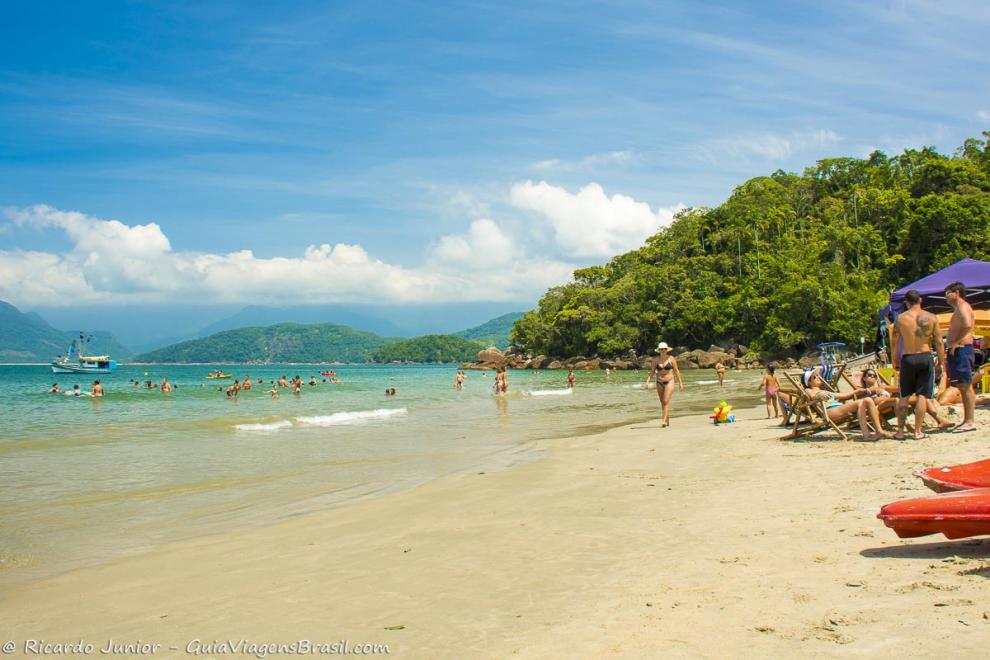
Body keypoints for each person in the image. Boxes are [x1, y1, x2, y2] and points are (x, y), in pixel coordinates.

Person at [891, 289, 945, 439]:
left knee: (904, 396)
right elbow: (939, 342)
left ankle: (900, 432)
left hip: (908, 357)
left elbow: (894, 342)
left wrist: (894, 359)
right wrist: (941, 361)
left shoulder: (901, 319)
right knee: (922, 396)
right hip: (925, 356)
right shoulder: (931, 317)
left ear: (906, 303)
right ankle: (917, 432)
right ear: (920, 300)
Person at [803, 371, 892, 441]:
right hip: (830, 412)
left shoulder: (826, 391)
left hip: (839, 408)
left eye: (817, 376)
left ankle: (879, 431)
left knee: (868, 400)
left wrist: (859, 391)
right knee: (861, 402)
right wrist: (819, 396)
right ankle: (866, 435)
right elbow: (813, 397)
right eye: (814, 377)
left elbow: (845, 395)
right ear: (809, 382)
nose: (818, 377)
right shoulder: (808, 390)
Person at [945, 281, 977, 432]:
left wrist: (956, 342)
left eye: (947, 293)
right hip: (959, 350)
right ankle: (967, 420)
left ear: (956, 293)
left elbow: (968, 325)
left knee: (966, 385)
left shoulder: (963, 306)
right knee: (962, 386)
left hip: (963, 349)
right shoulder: (959, 308)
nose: (946, 297)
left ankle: (970, 421)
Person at [646, 342, 684, 428]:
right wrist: (647, 382)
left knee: (666, 401)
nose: (663, 350)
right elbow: (652, 372)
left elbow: (676, 371)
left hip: (670, 381)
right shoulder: (655, 360)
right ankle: (667, 420)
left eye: (664, 349)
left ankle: (663, 421)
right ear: (659, 350)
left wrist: (680, 383)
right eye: (661, 349)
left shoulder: (671, 358)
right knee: (662, 402)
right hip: (659, 381)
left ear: (667, 350)